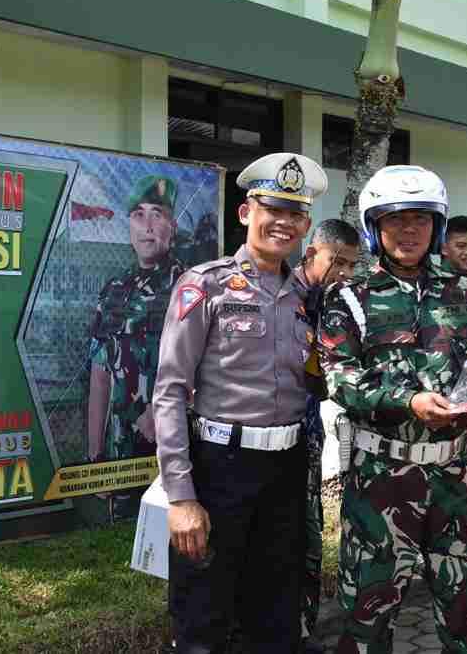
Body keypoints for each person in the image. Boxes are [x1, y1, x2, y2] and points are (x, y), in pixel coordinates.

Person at [317, 165, 467, 654]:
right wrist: (407, 401)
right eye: (396, 220)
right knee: (369, 610)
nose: (410, 231)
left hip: (459, 479)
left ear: (437, 226)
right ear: (375, 226)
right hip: (381, 481)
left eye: (421, 220)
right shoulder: (348, 296)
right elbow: (340, 379)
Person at [153, 152, 324, 653]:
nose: (284, 223)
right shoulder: (203, 285)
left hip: (286, 468)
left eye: (295, 214)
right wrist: (181, 497)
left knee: (274, 612)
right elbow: (168, 390)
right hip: (219, 467)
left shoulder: (306, 297)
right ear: (246, 212)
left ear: (306, 224)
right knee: (202, 612)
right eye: (274, 209)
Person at [88, 176, 186, 520]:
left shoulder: (189, 285)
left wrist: (159, 415)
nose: (147, 225)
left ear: (172, 225)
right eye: (138, 214)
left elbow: (204, 368)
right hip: (120, 450)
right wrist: (96, 456)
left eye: (157, 213)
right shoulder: (114, 289)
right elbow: (99, 375)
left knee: (169, 541)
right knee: (120, 544)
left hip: (169, 446)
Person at [297, 219, 360, 654]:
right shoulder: (282, 296)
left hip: (307, 435)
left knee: (309, 531)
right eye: (336, 261)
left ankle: (302, 629)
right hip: (259, 439)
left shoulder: (336, 304)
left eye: (351, 265)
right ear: (310, 255)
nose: (344, 272)